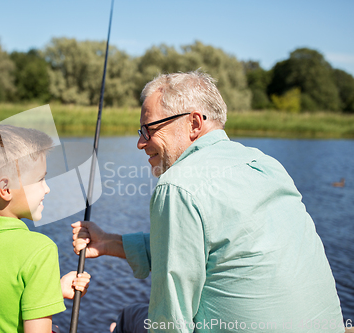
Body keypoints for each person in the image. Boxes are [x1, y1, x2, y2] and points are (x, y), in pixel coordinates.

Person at [73, 71, 344, 332]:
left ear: (193, 123)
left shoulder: (178, 185)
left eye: (149, 129)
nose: (141, 143)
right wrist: (108, 242)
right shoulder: (265, 164)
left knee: (130, 318)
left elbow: (171, 320)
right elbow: (194, 249)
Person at [0, 122, 90, 333]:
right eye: (40, 179)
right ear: (6, 188)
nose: (46, 189)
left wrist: (51, 290)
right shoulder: (40, 250)